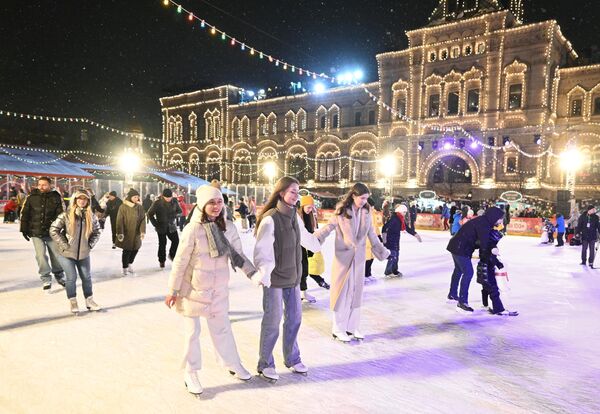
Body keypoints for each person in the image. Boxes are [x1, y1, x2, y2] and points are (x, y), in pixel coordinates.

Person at [164, 185, 258, 395]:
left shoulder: (229, 227)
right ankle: (191, 372)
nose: (216, 207)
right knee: (191, 334)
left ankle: (232, 364)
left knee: (222, 328)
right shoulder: (193, 229)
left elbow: (238, 255)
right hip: (192, 289)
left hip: (217, 290)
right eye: (211, 203)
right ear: (202, 204)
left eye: (219, 202)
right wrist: (172, 289)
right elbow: (180, 262)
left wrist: (253, 274)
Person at [253, 176, 325, 381]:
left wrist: (327, 230)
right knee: (272, 321)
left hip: (293, 278)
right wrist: (264, 273)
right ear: (281, 192)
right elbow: (261, 251)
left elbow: (310, 242)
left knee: (294, 319)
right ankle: (265, 362)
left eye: (298, 191)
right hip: (274, 280)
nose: (296, 195)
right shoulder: (270, 219)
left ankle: (292, 358)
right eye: (292, 191)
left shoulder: (295, 216)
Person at [318, 183, 390, 342]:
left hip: (358, 259)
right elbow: (328, 226)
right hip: (343, 258)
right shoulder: (342, 211)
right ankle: (338, 328)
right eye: (362, 198)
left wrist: (381, 251)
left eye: (366, 198)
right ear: (353, 196)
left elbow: (371, 233)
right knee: (342, 293)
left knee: (356, 293)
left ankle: (352, 327)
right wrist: (316, 238)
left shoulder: (366, 212)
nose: (365, 201)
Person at [49, 190, 102, 313]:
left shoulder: (91, 216)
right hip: (66, 253)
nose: (82, 201)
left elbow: (97, 231)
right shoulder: (66, 215)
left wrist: (90, 245)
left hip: (84, 253)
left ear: (88, 201)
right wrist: (64, 244)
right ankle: (73, 300)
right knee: (71, 277)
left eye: (84, 199)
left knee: (86, 277)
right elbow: (53, 229)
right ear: (75, 200)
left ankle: (89, 300)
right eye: (79, 198)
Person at [446, 207, 505, 313]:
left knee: (459, 270)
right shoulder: (484, 224)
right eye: (500, 218)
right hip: (460, 248)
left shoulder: (483, 221)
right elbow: (484, 244)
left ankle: (452, 294)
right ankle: (462, 302)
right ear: (494, 217)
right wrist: (493, 258)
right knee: (468, 273)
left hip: (456, 246)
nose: (501, 221)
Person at [20, 177, 65, 290]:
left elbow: (61, 215)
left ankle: (59, 276)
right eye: (39, 184)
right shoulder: (31, 197)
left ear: (50, 185)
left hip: (52, 233)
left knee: (56, 255)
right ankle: (45, 278)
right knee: (40, 256)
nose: (41, 186)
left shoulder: (56, 197)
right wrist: (24, 229)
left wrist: (62, 229)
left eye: (44, 184)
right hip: (36, 231)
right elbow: (25, 213)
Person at [476, 224, 518, 316]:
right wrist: (499, 264)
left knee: (485, 287)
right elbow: (491, 257)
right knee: (493, 289)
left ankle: (485, 305)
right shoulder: (492, 246)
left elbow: (486, 255)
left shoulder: (485, 242)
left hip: (482, 267)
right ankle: (499, 309)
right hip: (487, 269)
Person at [298, 194, 330, 303]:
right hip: (297, 247)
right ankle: (300, 292)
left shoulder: (310, 216)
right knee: (300, 270)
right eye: (308, 207)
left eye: (311, 207)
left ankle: (303, 292)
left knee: (305, 269)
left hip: (306, 247)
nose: (310, 209)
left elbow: (311, 232)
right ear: (302, 206)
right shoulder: (298, 217)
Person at [382, 204, 422, 277]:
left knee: (396, 256)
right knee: (393, 256)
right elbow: (384, 227)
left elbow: (407, 228)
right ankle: (388, 272)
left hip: (396, 240)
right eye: (404, 212)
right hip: (390, 240)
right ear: (399, 211)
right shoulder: (394, 219)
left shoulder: (400, 219)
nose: (405, 214)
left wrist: (415, 234)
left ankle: (394, 270)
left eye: (405, 212)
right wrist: (384, 239)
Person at [147, 188, 181, 268]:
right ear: (163, 196)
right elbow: (149, 214)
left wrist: (175, 215)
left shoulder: (174, 201)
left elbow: (180, 211)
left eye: (170, 197)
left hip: (171, 226)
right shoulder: (157, 203)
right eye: (167, 197)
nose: (169, 199)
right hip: (161, 226)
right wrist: (155, 224)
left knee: (176, 241)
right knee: (162, 244)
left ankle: (172, 255)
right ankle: (162, 260)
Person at [116, 189, 146, 276]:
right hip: (127, 233)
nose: (136, 199)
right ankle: (124, 267)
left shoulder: (139, 207)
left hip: (136, 233)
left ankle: (130, 263)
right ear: (130, 197)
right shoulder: (123, 207)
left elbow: (143, 220)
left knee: (136, 248)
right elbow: (119, 220)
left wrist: (142, 231)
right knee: (127, 250)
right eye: (135, 197)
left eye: (137, 197)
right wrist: (120, 233)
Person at [365, 197, 383, 280]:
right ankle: (364, 274)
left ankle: (368, 273)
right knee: (367, 258)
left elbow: (375, 226)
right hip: (366, 239)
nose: (372, 207)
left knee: (372, 257)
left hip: (373, 239)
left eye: (373, 205)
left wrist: (379, 236)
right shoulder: (364, 213)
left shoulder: (373, 213)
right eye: (371, 205)